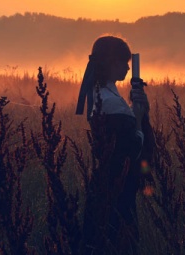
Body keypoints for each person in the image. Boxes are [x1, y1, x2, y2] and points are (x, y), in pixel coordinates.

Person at [76, 35, 154, 255]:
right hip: (117, 188)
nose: (128, 68)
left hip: (108, 184)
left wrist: (134, 108)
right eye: (123, 61)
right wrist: (139, 116)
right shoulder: (108, 100)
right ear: (111, 62)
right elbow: (132, 148)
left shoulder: (103, 93)